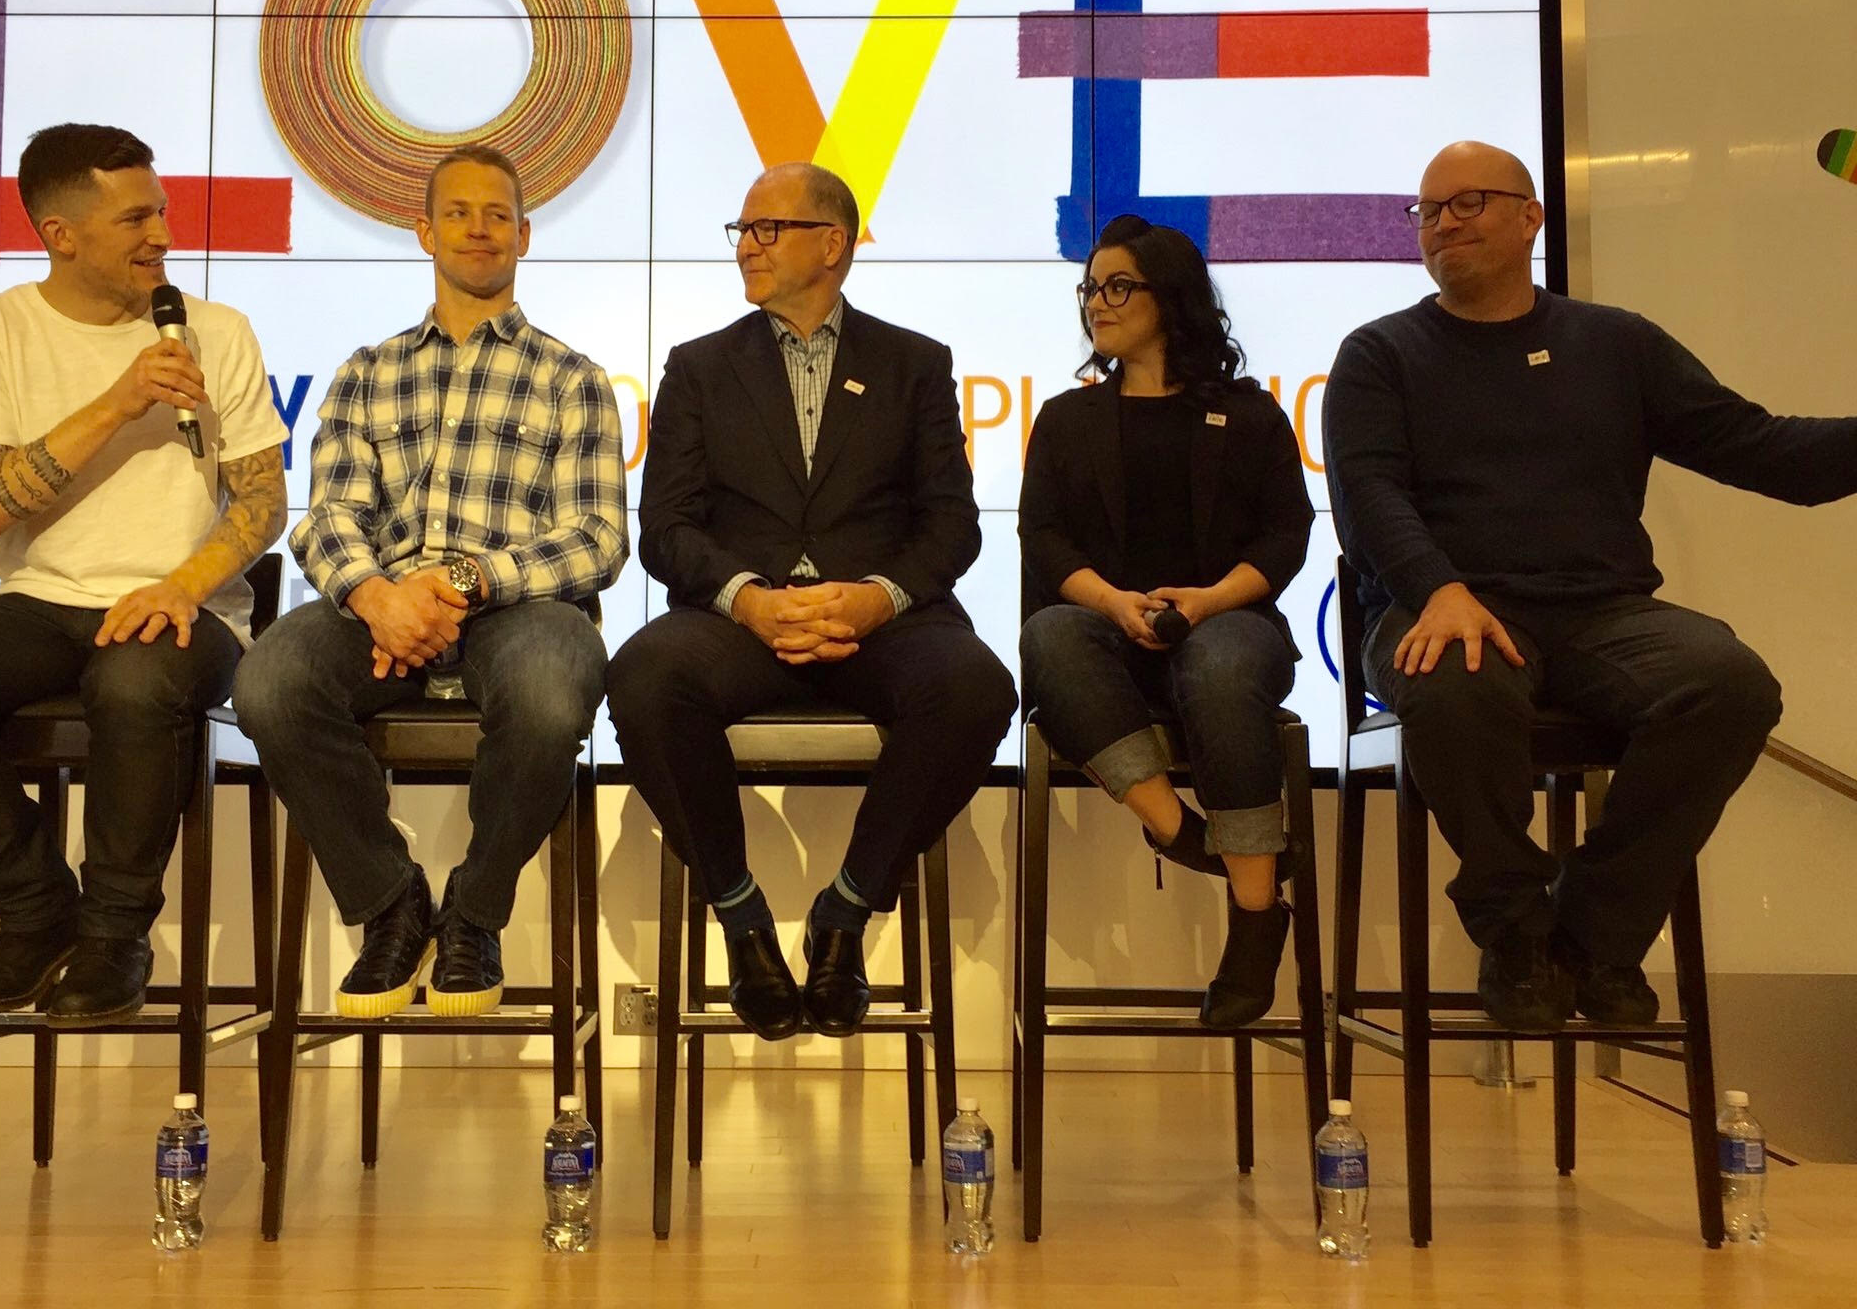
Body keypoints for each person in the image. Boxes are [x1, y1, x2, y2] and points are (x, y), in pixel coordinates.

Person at [1325, 139, 1856, 1031]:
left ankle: (1592, 934)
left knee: (1729, 684)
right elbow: (1367, 497)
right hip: (1436, 607)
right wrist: (1440, 589)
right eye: (1428, 211)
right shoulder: (1380, 353)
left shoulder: (1616, 344)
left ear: (1531, 217)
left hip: (1602, 614)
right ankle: (1512, 927)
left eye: (1469, 202)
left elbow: (1768, 452)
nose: (1444, 224)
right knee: (1458, 678)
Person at [0, 123, 288, 1026]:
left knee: (134, 681)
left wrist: (181, 586)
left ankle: (114, 936)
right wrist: (117, 402)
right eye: (135, 219)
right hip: (41, 600)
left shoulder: (217, 331)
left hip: (186, 606)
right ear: (60, 234)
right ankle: (38, 911)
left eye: (161, 211)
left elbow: (261, 504)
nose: (161, 235)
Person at [607, 163, 1016, 1040]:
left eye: (767, 229)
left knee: (976, 688)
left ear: (832, 245)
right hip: (741, 621)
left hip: (878, 620)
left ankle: (847, 911)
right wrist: (748, 600)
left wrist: (877, 598)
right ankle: (741, 917)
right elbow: (665, 527)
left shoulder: (914, 364)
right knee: (644, 678)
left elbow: (952, 526)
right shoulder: (699, 367)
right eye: (742, 231)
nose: (745, 247)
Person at [234, 144, 626, 1018]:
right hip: (382, 606)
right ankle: (390, 903)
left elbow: (598, 540)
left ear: (524, 235)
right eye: (458, 213)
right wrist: (378, 597)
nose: (478, 229)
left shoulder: (572, 378)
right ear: (424, 232)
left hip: (519, 606)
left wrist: (467, 580)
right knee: (270, 680)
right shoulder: (368, 371)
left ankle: (474, 915)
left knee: (552, 691)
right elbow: (327, 518)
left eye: (497, 215)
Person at [1019, 215, 1314, 1027]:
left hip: (1226, 619)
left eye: (1119, 287)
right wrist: (1114, 601)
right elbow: (1044, 537)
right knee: (1050, 635)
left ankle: (1255, 917)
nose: (1097, 303)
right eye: (1090, 288)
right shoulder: (1068, 419)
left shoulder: (1249, 415)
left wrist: (1208, 600)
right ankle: (1181, 831)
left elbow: (1285, 535)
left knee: (1219, 664)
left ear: (1172, 296)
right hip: (1107, 624)